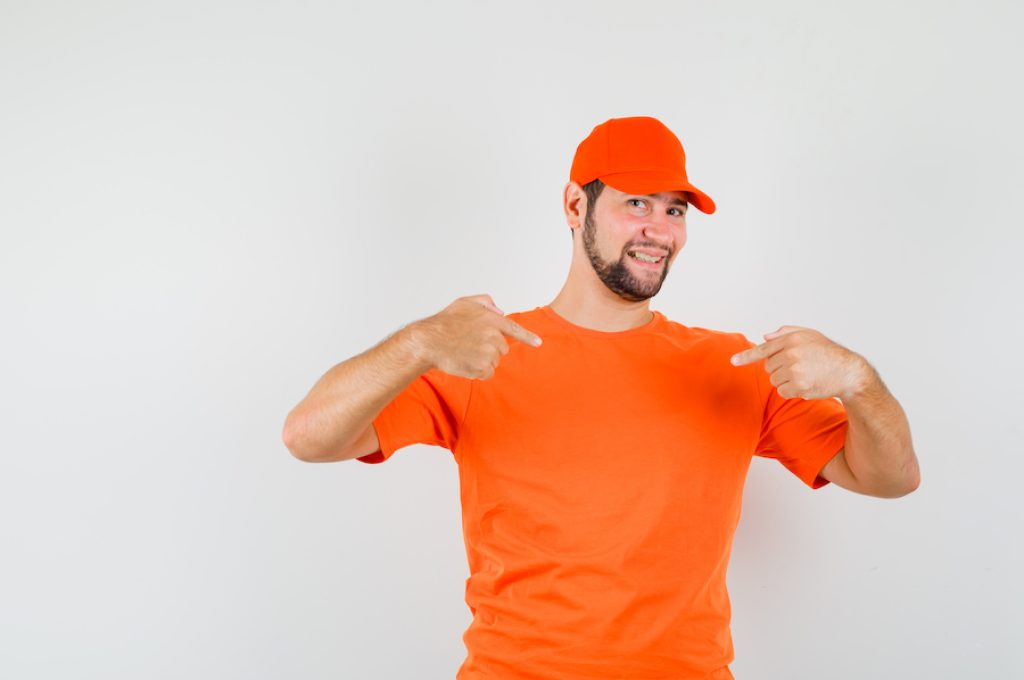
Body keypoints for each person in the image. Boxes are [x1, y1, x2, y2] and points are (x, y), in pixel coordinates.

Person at [281, 115, 920, 679]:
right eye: (637, 203)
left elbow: (890, 479)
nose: (659, 230)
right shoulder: (483, 351)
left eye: (675, 210)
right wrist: (419, 342)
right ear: (574, 206)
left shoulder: (734, 366)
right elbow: (308, 436)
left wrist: (860, 382)